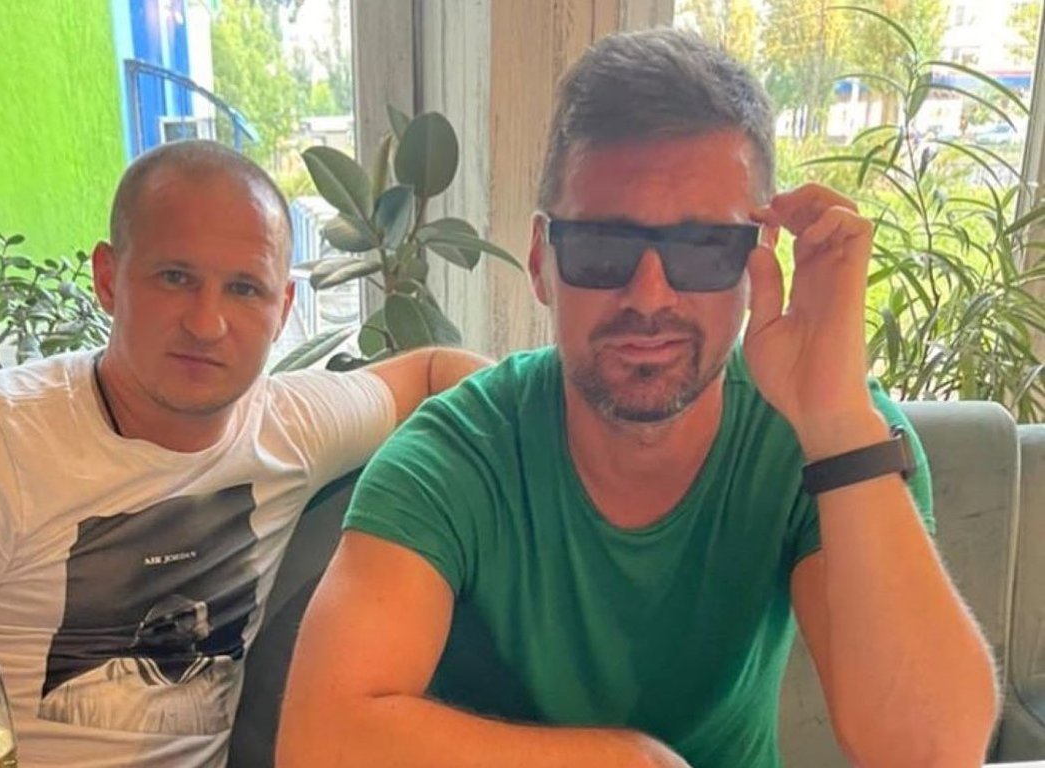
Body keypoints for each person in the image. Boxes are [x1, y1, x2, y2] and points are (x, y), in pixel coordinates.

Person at [277, 29, 998, 768]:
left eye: (703, 249)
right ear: (541, 261)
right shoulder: (458, 455)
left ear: (756, 263)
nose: (650, 295)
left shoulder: (827, 439)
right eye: (602, 247)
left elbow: (931, 753)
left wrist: (837, 419)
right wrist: (629, 763)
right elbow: (318, 741)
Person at [0, 140, 490, 768]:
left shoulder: (292, 424)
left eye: (244, 289)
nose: (207, 323)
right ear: (107, 278)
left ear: (283, 308)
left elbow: (432, 372)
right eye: (175, 278)